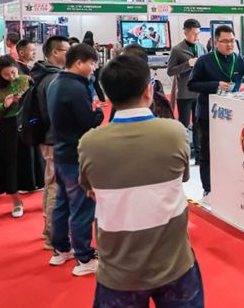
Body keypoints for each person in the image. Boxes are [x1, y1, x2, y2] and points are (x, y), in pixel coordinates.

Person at [79, 54, 204, 307]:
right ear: (148, 91)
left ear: (108, 95)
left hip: (118, 272)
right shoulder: (175, 133)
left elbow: (91, 190)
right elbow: (182, 177)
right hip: (175, 265)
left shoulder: (89, 143)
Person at [188, 25, 244, 201]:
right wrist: (215, 85)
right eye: (225, 41)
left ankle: (228, 186)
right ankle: (208, 189)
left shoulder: (239, 59)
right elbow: (192, 84)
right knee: (207, 152)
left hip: (231, 115)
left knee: (230, 152)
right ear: (215, 42)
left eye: (232, 41)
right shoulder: (204, 61)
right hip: (208, 113)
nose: (229, 45)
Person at [47, 43, 105, 276]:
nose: (93, 68)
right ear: (79, 62)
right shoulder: (74, 87)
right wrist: (98, 112)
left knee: (62, 203)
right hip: (76, 155)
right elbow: (88, 121)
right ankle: (84, 258)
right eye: (91, 63)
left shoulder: (56, 82)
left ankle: (61, 249)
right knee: (82, 206)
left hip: (61, 152)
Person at [0, 56, 41, 217]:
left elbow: (37, 100)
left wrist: (26, 101)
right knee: (10, 165)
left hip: (28, 125)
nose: (11, 77)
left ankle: (40, 195)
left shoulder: (26, 80)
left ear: (17, 68)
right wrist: (4, 105)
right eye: (6, 75)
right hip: (7, 129)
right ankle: (16, 202)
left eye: (13, 72)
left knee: (33, 161)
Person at [30, 35, 70, 251]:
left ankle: (48, 230)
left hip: (47, 137)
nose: (70, 54)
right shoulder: (54, 79)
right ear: (55, 52)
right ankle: (54, 235)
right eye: (66, 50)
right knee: (56, 185)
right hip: (55, 139)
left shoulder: (42, 74)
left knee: (50, 183)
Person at [167, 19, 206, 158]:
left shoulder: (201, 47)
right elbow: (170, 71)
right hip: (184, 93)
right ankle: (183, 153)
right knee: (183, 125)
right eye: (194, 34)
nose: (197, 37)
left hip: (199, 92)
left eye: (198, 34)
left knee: (198, 124)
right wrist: (187, 64)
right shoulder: (177, 50)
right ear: (186, 32)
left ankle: (199, 155)